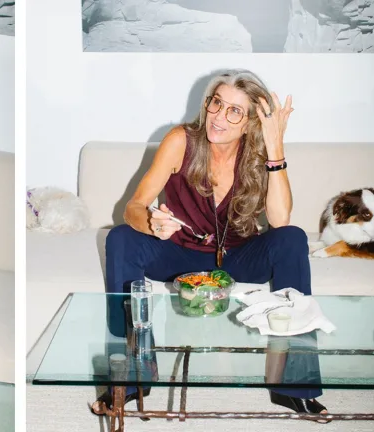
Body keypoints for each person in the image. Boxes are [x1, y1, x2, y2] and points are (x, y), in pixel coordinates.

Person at [92, 69, 328, 421]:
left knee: (292, 239)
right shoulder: (180, 141)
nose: (219, 116)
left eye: (235, 111)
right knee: (121, 238)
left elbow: (280, 220)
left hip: (238, 256)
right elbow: (133, 207)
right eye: (217, 103)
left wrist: (275, 146)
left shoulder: (260, 152)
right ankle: (132, 379)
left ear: (250, 122)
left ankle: (294, 386)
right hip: (179, 253)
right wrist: (153, 224)